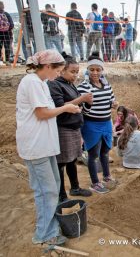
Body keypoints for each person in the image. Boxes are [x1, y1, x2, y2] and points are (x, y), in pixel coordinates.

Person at [16, 50, 81, 245]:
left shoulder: (42, 83)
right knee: (46, 191)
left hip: (44, 146)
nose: (58, 74)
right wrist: (66, 108)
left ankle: (50, 226)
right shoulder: (32, 82)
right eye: (58, 70)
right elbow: (42, 113)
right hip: (36, 146)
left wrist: (67, 107)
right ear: (47, 67)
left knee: (51, 188)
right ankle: (44, 233)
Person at [48, 52, 93, 203]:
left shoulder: (69, 84)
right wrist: (82, 98)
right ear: (62, 70)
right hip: (63, 128)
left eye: (77, 72)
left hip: (74, 128)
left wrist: (86, 103)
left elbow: (76, 104)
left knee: (72, 159)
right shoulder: (55, 84)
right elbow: (60, 106)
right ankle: (61, 194)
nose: (75, 75)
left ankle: (75, 187)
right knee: (61, 162)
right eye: (72, 72)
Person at [77, 52, 118, 193]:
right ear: (87, 70)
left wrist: (114, 104)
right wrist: (87, 103)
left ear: (102, 70)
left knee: (105, 152)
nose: (95, 72)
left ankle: (106, 177)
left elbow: (111, 100)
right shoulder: (83, 87)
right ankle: (95, 183)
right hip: (91, 125)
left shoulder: (106, 85)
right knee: (93, 154)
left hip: (106, 123)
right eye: (92, 69)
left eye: (98, 69)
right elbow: (81, 111)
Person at [0, 1, 14, 66]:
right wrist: (8, 29)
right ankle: (8, 61)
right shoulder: (6, 14)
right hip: (7, 33)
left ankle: (0, 60)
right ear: (3, 6)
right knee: (7, 47)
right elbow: (12, 25)